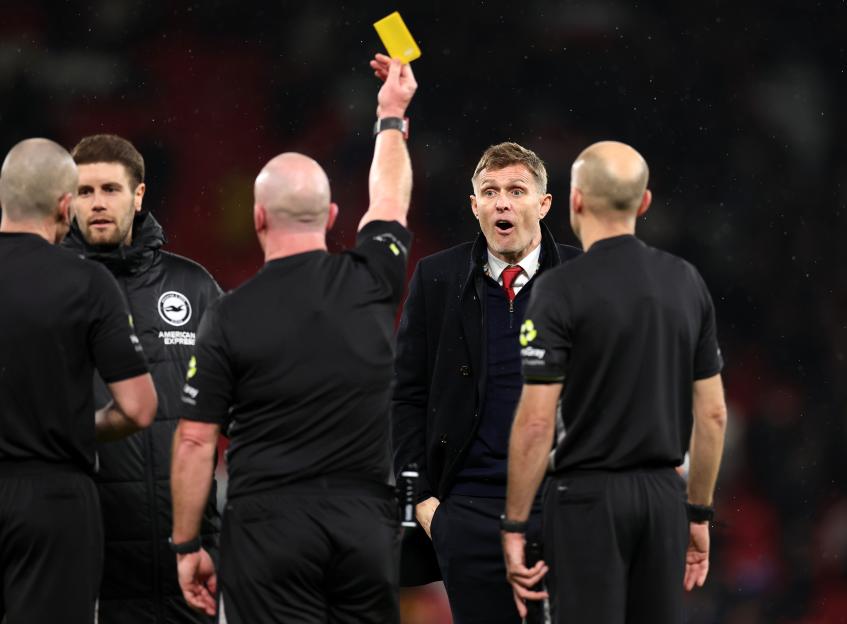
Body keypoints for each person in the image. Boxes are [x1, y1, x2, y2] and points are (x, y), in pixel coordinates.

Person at [169, 53, 417, 623]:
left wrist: (187, 546)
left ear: (258, 218)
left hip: (267, 528)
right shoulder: (374, 277)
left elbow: (193, 443)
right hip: (364, 525)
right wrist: (392, 115)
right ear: (331, 216)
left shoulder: (226, 317)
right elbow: (390, 198)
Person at [503, 141, 728, 623]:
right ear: (644, 203)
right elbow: (712, 416)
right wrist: (699, 513)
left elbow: (536, 423)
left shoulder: (558, 289)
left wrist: (515, 524)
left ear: (575, 200)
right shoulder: (686, 282)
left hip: (586, 500)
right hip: (664, 497)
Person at [392, 141, 581, 622]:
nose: (502, 202)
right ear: (474, 205)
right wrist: (427, 506)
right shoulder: (436, 277)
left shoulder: (585, 277)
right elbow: (406, 395)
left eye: (517, 190)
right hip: (466, 514)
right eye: (490, 191)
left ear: (543, 204)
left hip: (562, 510)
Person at [62, 134, 223, 624]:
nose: (97, 204)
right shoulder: (52, 288)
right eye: (84, 192)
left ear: (138, 195)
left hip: (188, 553)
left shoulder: (193, 286)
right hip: (90, 556)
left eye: (110, 189)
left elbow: (242, 400)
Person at [0, 138, 157, 624]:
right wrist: (66, 425)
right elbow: (137, 408)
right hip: (54, 498)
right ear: (65, 205)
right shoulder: (86, 281)